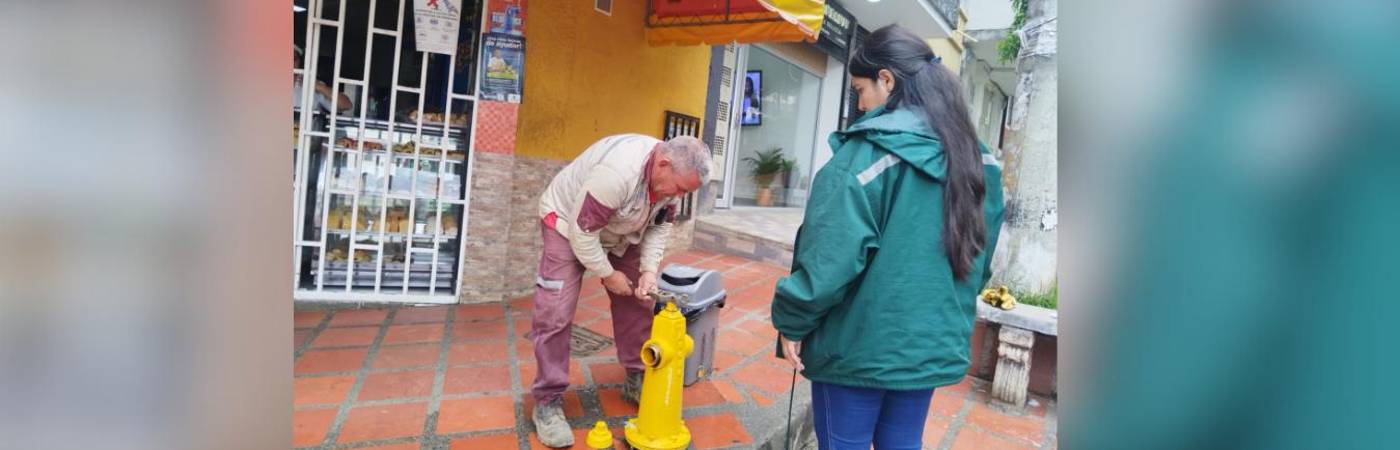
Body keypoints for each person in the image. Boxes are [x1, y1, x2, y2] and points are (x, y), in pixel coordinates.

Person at [769, 24, 1006, 450]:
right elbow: (980, 259)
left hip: (856, 347)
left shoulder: (866, 155)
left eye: (860, 89)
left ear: (887, 80)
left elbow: (829, 263)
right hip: (927, 343)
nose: (859, 105)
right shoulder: (979, 160)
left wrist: (791, 322)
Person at [530, 134, 711, 447]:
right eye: (680, 188)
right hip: (567, 223)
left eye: (686, 191)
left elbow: (659, 227)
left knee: (639, 301)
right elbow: (582, 234)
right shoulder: (617, 174)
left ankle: (638, 376)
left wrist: (649, 271)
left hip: (620, 230)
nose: (679, 196)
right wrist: (608, 274)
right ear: (663, 164)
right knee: (555, 312)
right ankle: (547, 401)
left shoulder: (671, 179)